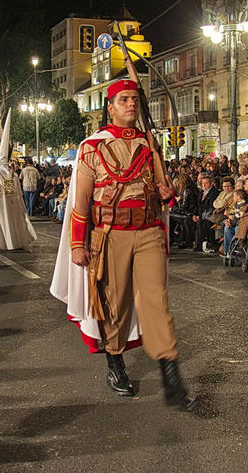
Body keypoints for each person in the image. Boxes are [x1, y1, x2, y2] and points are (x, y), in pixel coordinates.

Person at [50, 78, 195, 410]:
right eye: (124, 99)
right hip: (109, 233)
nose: (132, 104)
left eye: (135, 99)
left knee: (156, 301)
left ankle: (170, 371)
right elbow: (81, 201)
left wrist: (166, 192)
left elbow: (162, 191)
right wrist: (77, 243)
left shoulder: (150, 144)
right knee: (116, 303)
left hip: (148, 232)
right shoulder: (92, 146)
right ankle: (115, 362)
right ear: (111, 107)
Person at [0, 109, 37, 250]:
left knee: (11, 221)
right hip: (3, 202)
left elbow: (16, 188)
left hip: (9, 202)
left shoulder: (10, 174)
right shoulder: (3, 174)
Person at [193, 173, 220, 252]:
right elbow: (197, 205)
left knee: (201, 223)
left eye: (206, 183)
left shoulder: (214, 193)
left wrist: (200, 217)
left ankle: (199, 245)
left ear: (211, 183)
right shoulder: (201, 192)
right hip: (200, 214)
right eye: (202, 184)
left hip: (209, 216)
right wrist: (195, 214)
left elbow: (210, 207)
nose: (204, 185)